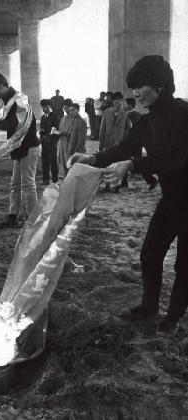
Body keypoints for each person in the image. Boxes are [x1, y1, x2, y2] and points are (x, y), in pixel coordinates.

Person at [67, 55, 188, 333]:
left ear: (160, 86)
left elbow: (175, 159)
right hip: (172, 199)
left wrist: (133, 165)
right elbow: (122, 149)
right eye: (133, 87)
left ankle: (174, 316)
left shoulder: (184, 114)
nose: (135, 93)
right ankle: (149, 307)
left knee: (184, 264)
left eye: (141, 86)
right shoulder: (145, 122)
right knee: (149, 253)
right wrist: (91, 158)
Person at [0, 70, 41, 228]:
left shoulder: (20, 100)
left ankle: (32, 220)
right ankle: (12, 216)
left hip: (29, 146)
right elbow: (4, 121)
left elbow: (16, 125)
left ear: (0, 86)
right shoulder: (8, 101)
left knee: (28, 184)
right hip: (19, 147)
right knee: (15, 184)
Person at [99, 91, 131, 192]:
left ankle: (117, 186)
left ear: (122, 101)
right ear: (112, 101)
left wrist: (124, 141)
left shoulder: (125, 114)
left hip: (120, 144)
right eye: (115, 100)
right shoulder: (106, 112)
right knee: (107, 164)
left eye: (119, 100)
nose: (117, 102)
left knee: (117, 165)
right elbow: (102, 128)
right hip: (108, 143)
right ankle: (107, 186)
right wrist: (101, 143)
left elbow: (128, 129)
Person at [124, 98, 158, 191]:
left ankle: (151, 180)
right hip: (130, 143)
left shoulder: (136, 116)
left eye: (125, 104)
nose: (124, 106)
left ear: (130, 105)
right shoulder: (127, 115)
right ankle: (124, 183)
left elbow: (137, 131)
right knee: (129, 161)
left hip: (136, 144)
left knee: (138, 163)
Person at [39, 99, 59, 185]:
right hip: (44, 143)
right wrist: (41, 133)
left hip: (51, 143)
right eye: (43, 107)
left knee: (53, 162)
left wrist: (53, 141)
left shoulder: (55, 117)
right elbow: (42, 129)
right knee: (44, 161)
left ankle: (55, 180)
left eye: (46, 107)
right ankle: (45, 179)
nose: (45, 109)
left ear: (50, 107)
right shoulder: (42, 117)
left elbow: (57, 130)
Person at [56, 98, 74, 178]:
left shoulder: (76, 119)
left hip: (71, 144)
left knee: (71, 163)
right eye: (64, 108)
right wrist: (57, 132)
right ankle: (67, 178)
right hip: (63, 143)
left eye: (66, 108)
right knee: (63, 161)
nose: (65, 110)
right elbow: (60, 129)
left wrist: (66, 133)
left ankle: (71, 179)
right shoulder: (63, 118)